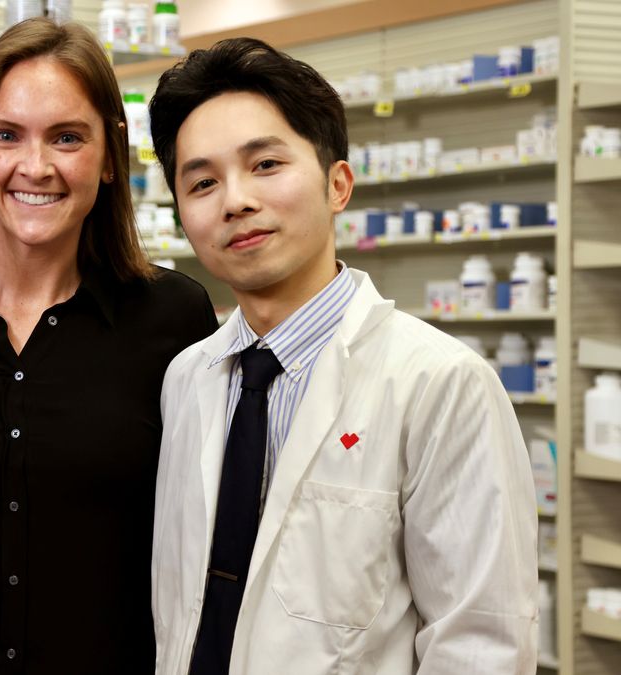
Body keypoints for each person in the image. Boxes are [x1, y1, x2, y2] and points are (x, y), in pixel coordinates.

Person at [147, 37, 538, 674]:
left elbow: (481, 643)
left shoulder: (440, 384)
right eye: (202, 181)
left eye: (266, 164)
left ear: (338, 184)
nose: (235, 199)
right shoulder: (188, 378)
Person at [0, 18, 217, 674]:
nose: (35, 166)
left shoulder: (171, 317)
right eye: (6, 135)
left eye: (68, 137)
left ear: (109, 158)